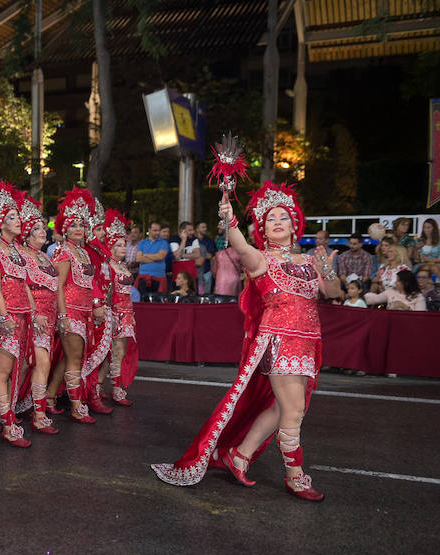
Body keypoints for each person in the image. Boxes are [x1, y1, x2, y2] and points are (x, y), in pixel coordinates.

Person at [152, 181, 342, 501]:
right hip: (279, 343)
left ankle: (239, 456)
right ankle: (295, 476)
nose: (278, 221)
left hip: (308, 343)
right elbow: (239, 245)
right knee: (294, 412)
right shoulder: (260, 259)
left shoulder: (310, 262)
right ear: (263, 229)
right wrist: (230, 220)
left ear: (295, 223)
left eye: (284, 215)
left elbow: (333, 294)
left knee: (282, 409)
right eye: (271, 218)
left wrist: (328, 270)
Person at [0, 181, 40, 448]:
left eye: (18, 216)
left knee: (16, 367)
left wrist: (34, 311)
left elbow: (24, 284)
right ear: (0, 222)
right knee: (2, 371)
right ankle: (8, 423)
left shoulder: (16, 250)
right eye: (12, 217)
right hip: (8, 317)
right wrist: (4, 317)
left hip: (23, 315)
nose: (18, 221)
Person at [45, 188, 100, 424]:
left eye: (81, 224)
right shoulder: (64, 251)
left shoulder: (83, 253)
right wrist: (63, 315)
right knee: (75, 359)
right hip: (70, 311)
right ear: (64, 229)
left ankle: (49, 397)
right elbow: (57, 285)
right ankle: (77, 407)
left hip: (84, 312)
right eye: (73, 225)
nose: (78, 228)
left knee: (71, 359)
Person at [17, 194, 60, 431]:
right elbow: (20, 286)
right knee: (38, 363)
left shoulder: (45, 256)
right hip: (33, 318)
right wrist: (34, 314)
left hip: (49, 318)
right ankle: (38, 414)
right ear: (26, 233)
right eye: (36, 228)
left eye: (43, 227)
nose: (43, 231)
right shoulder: (22, 255)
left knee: (33, 365)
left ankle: (13, 407)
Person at [82, 198, 114, 415]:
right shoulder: (90, 251)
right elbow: (90, 280)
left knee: (101, 353)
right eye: (100, 228)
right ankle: (89, 395)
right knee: (93, 354)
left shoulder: (100, 251)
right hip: (94, 308)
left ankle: (91, 392)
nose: (104, 233)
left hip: (103, 306)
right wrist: (97, 303)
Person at [104, 210, 137, 406]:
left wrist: (131, 315)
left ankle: (114, 388)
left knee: (119, 352)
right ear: (110, 247)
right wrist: (112, 313)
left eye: (124, 244)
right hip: (114, 313)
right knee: (111, 352)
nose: (123, 248)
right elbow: (107, 291)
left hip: (127, 313)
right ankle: (113, 390)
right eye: (118, 245)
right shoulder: (108, 266)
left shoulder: (123, 266)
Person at [135, 221, 169, 294]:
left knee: (157, 302)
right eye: (155, 230)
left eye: (159, 230)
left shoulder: (164, 243)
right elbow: (138, 259)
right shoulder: (142, 243)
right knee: (143, 301)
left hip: (159, 277)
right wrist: (155, 258)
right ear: (149, 230)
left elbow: (161, 257)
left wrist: (146, 255)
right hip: (143, 277)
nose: (157, 232)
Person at [194, 221, 216, 293]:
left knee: (206, 295)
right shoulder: (192, 240)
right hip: (194, 271)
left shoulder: (210, 241)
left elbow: (210, 256)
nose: (205, 229)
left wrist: (195, 254)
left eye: (205, 227)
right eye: (203, 227)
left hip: (206, 271)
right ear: (197, 229)